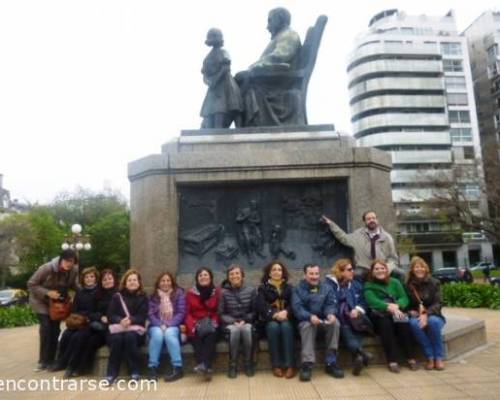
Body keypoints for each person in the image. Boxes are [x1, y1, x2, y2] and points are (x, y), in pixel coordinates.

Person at [235, 7, 304, 126]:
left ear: (280, 19)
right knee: (238, 82)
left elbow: (280, 56)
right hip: (271, 78)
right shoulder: (281, 36)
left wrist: (252, 70)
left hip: (279, 81)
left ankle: (249, 123)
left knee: (244, 83)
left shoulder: (289, 35)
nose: (268, 26)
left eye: (270, 21)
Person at [27, 249, 79, 372]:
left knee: (55, 329)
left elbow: (74, 285)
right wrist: (48, 293)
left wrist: (87, 290)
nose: (69, 264)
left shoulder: (73, 270)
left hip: (57, 305)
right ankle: (43, 361)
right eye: (67, 261)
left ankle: (51, 359)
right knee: (46, 327)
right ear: (61, 259)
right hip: (40, 301)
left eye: (72, 262)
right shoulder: (47, 268)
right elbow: (31, 284)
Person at [292, 263, 344, 381]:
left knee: (335, 323)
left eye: (316, 273)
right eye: (311, 274)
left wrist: (330, 313)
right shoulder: (297, 289)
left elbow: (331, 304)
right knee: (307, 326)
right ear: (305, 275)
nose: (314, 276)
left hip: (323, 321)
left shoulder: (327, 288)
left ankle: (331, 363)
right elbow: (297, 308)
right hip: (306, 321)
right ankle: (307, 364)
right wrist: (310, 316)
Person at [364, 260, 417, 373]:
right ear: (372, 272)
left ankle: (410, 357)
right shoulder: (369, 285)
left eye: (382, 268)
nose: (380, 271)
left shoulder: (395, 282)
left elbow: (404, 298)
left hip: (396, 311)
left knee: (404, 324)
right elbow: (372, 301)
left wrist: (397, 305)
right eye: (376, 269)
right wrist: (388, 307)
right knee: (386, 326)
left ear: (386, 270)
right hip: (380, 315)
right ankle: (392, 360)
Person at [321, 211, 400, 282]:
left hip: (383, 268)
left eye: (373, 218)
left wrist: (385, 269)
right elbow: (344, 238)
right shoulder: (357, 235)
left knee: (400, 274)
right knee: (355, 275)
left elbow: (393, 258)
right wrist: (331, 224)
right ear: (364, 221)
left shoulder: (387, 237)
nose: (371, 220)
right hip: (364, 268)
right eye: (368, 219)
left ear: (377, 220)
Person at [325, 259, 372, 376]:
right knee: (345, 326)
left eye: (353, 269)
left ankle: (358, 356)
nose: (353, 272)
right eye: (349, 270)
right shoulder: (328, 285)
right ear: (340, 272)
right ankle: (360, 354)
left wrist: (357, 309)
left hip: (355, 319)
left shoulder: (356, 285)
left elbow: (364, 301)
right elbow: (328, 303)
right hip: (337, 318)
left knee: (351, 325)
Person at [50, 266, 100, 377]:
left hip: (90, 323)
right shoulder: (80, 292)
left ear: (96, 278)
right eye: (86, 277)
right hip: (78, 322)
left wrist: (87, 317)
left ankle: (72, 366)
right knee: (66, 335)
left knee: (77, 337)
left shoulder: (99, 292)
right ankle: (61, 362)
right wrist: (76, 318)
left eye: (91, 276)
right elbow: (74, 309)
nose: (89, 279)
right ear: (83, 279)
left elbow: (99, 311)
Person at [105, 269, 148, 384]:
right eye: (129, 280)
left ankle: (134, 372)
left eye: (134, 280)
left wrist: (131, 320)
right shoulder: (117, 297)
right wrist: (120, 321)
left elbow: (142, 316)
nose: (132, 282)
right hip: (118, 329)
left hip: (135, 331)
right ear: (125, 282)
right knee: (117, 339)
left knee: (130, 337)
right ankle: (111, 374)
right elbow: (110, 315)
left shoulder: (143, 297)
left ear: (139, 282)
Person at [255, 260, 296, 378]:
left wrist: (286, 312)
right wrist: (273, 314)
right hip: (270, 320)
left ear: (283, 273)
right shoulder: (262, 288)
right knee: (273, 328)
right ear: (269, 273)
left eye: (279, 270)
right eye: (274, 270)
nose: (277, 272)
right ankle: (276, 365)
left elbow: (294, 304)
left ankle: (290, 365)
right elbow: (260, 305)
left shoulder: (289, 288)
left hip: (286, 319)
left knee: (286, 327)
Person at [406, 256, 446, 371]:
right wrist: (410, 312)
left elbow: (439, 303)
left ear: (426, 268)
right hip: (416, 315)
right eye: (416, 267)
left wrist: (426, 314)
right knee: (413, 324)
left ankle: (438, 357)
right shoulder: (408, 285)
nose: (420, 269)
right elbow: (405, 303)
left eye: (422, 266)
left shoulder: (434, 283)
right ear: (412, 270)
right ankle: (430, 357)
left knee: (433, 322)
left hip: (434, 314)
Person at [74, 268, 117, 375]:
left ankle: (82, 368)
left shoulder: (119, 294)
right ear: (101, 282)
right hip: (98, 324)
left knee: (92, 341)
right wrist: (101, 316)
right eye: (104, 279)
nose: (107, 281)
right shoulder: (98, 295)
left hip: (111, 327)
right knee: (82, 336)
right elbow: (91, 312)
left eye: (110, 279)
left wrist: (109, 318)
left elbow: (121, 313)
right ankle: (74, 366)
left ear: (114, 279)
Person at [218, 264, 257, 378]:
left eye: (237, 273)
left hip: (247, 322)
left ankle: (248, 363)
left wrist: (245, 320)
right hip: (230, 324)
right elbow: (221, 313)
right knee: (234, 331)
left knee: (246, 330)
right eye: (231, 274)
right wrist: (233, 321)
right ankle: (232, 364)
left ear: (242, 275)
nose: (234, 276)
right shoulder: (223, 292)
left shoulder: (251, 290)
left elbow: (255, 311)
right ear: (228, 277)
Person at [147, 272, 187, 382]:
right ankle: (152, 368)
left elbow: (181, 312)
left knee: (169, 334)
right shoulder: (153, 296)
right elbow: (150, 314)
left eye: (168, 280)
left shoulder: (179, 294)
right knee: (157, 334)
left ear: (172, 282)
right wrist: (160, 324)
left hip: (173, 325)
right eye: (163, 281)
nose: (165, 283)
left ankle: (178, 368)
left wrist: (168, 324)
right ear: (158, 283)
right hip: (156, 325)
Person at [200, 28, 242, 129]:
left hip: (226, 85)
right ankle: (213, 133)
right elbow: (205, 74)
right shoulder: (207, 58)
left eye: (216, 36)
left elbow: (226, 68)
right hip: (214, 87)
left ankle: (239, 129)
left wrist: (215, 80)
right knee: (212, 110)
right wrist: (209, 82)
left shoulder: (223, 52)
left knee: (230, 107)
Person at [185, 267, 221, 381]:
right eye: (200, 275)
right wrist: (193, 326)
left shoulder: (217, 292)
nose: (203, 277)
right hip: (195, 323)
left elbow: (219, 310)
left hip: (212, 322)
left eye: (206, 275)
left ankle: (203, 365)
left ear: (210, 278)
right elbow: (187, 313)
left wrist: (214, 322)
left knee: (210, 335)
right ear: (197, 278)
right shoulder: (190, 293)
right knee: (196, 338)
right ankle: (206, 367)